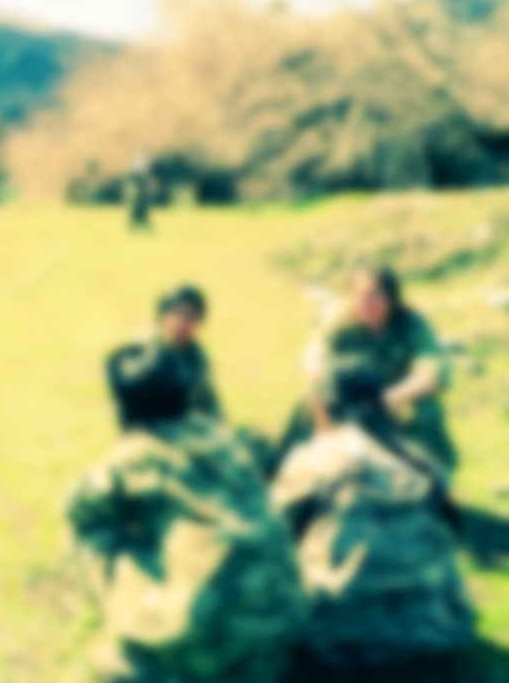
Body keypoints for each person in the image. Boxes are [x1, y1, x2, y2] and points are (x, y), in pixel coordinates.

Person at [66, 343, 306, 683]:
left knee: (92, 532)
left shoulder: (136, 453)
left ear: (120, 403)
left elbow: (78, 509)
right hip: (280, 631)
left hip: (208, 650)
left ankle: (143, 630)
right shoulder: (221, 437)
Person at [270, 361, 475, 677]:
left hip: (337, 641)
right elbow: (453, 531)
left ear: (321, 406)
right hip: (437, 631)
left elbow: (273, 535)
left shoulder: (315, 457)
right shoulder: (420, 459)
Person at [280, 266, 457, 472]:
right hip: (348, 399)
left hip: (396, 398)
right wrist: (324, 422)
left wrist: (387, 400)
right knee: (306, 406)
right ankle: (281, 469)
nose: (366, 303)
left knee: (426, 412)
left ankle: (433, 474)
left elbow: (433, 373)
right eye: (359, 296)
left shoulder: (410, 323)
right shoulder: (341, 322)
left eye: (375, 296)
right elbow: (313, 361)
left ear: (391, 297)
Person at [150, 285, 222, 419]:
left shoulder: (197, 357)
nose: (182, 322)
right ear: (163, 315)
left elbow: (209, 401)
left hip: (193, 425)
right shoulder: (148, 353)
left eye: (190, 316)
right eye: (176, 313)